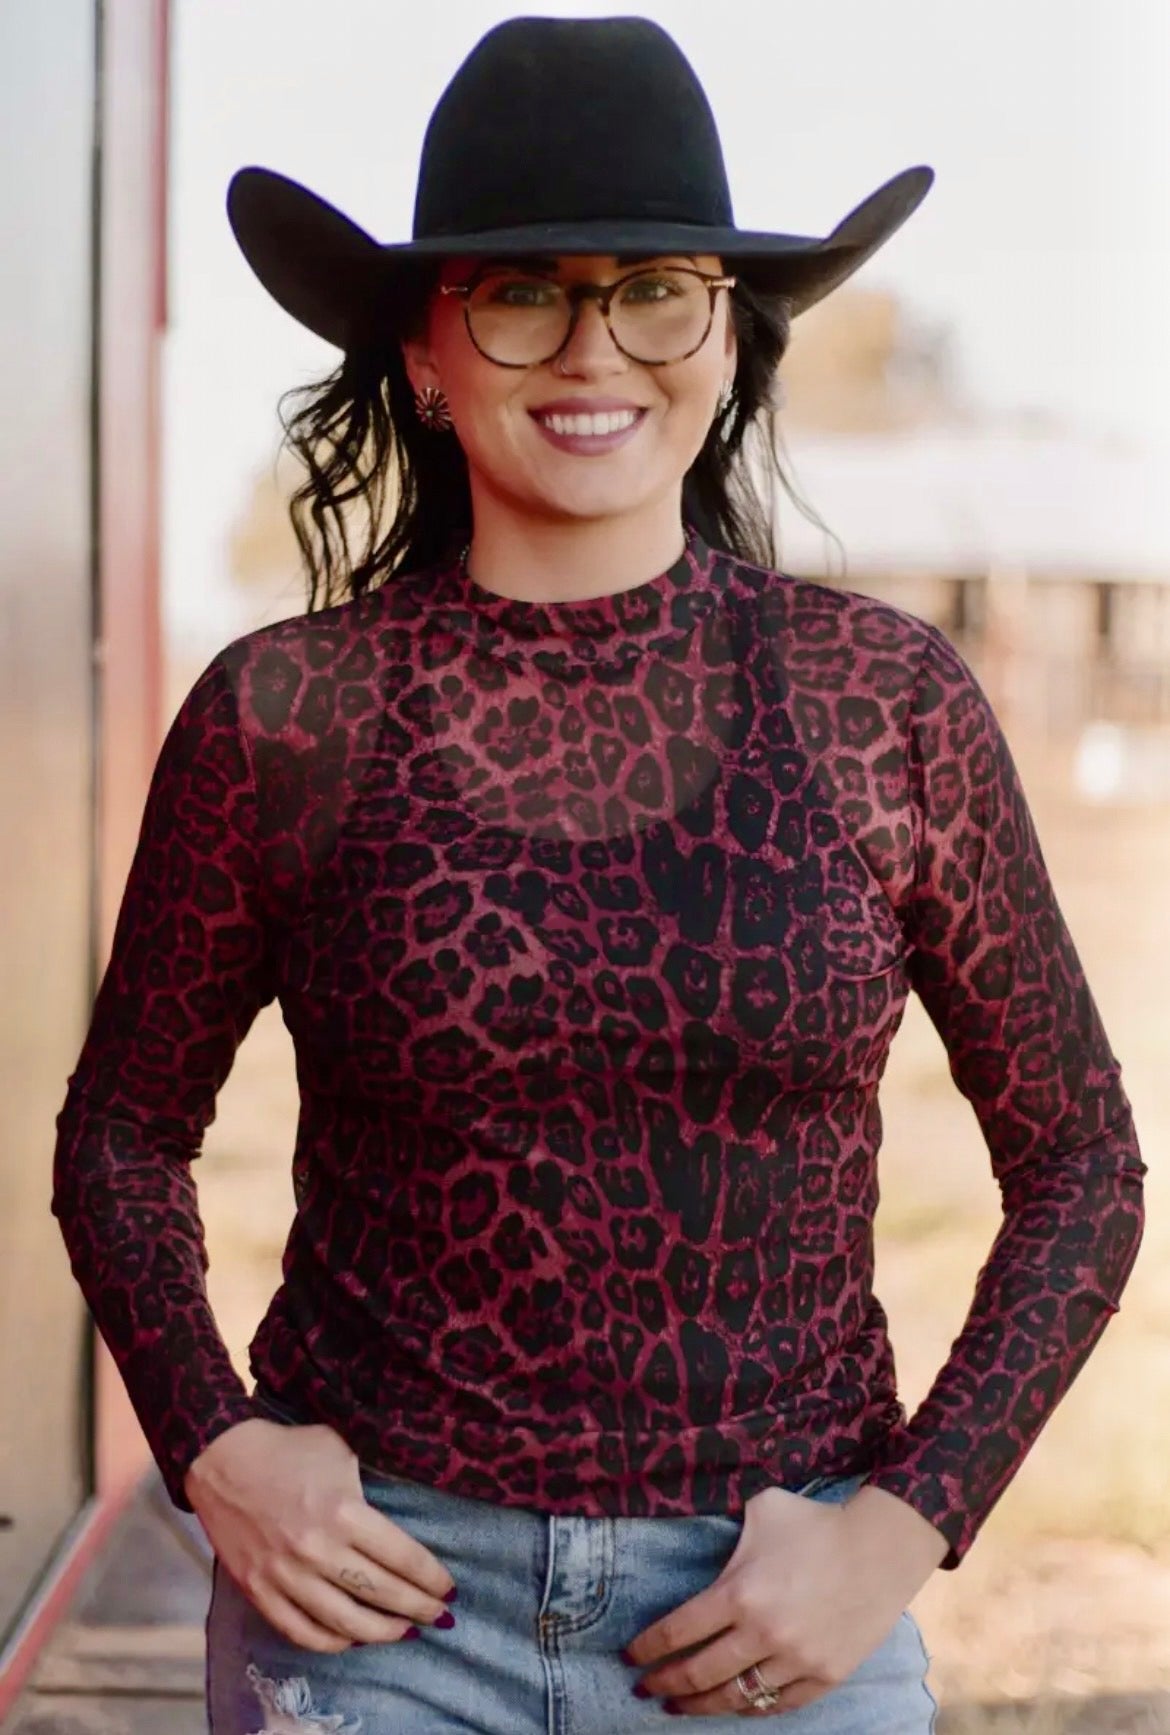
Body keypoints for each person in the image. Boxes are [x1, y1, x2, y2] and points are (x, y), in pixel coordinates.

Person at [51, 16, 1145, 1734]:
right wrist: (214, 1447)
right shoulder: (289, 712)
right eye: (521, 290)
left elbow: (1081, 1163)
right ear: (422, 344)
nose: (594, 346)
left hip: (775, 1622)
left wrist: (903, 1528)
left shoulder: (884, 704)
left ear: (726, 332)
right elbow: (119, 1137)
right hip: (373, 1619)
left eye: (653, 288)